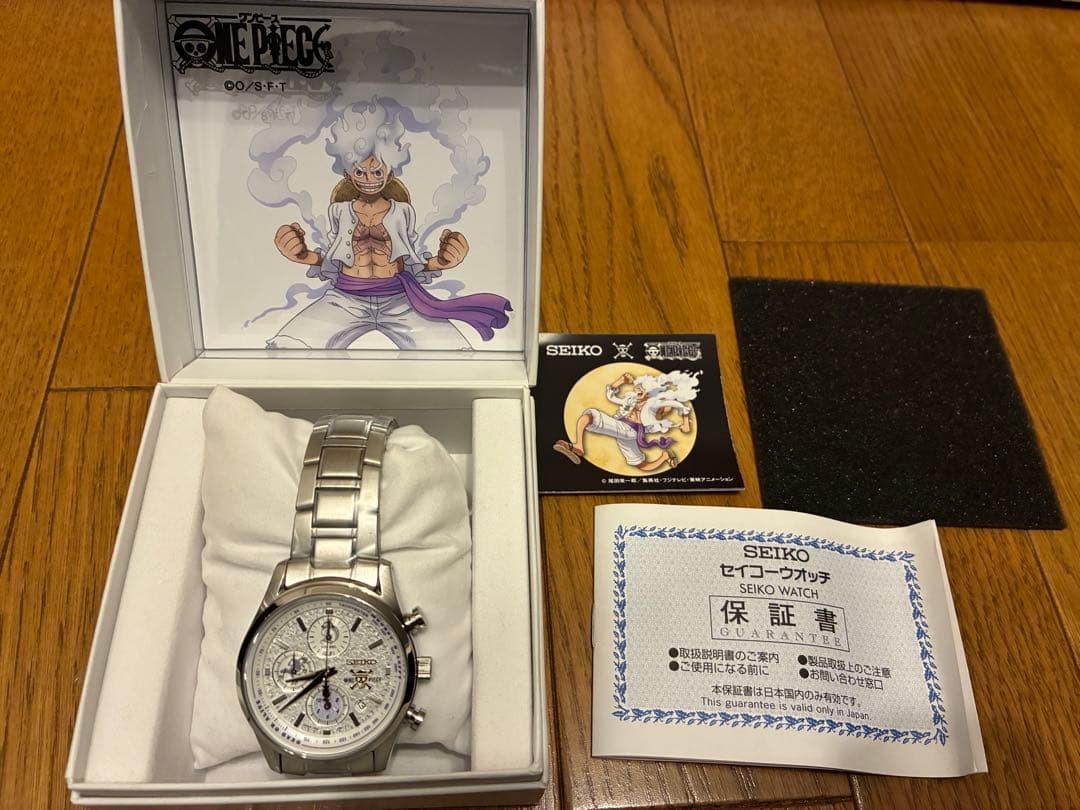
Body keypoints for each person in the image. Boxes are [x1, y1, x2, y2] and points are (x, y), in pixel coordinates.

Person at [267, 101, 511, 350]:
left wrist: (443, 261)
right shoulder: (338, 211)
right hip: (344, 299)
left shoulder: (402, 212)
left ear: (390, 173)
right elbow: (333, 259)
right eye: (360, 172)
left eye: (377, 172)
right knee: (286, 346)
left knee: (456, 352)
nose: (369, 179)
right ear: (348, 174)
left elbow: (411, 260)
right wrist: (301, 254)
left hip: (400, 300)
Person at [555, 370, 697, 472]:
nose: (637, 389)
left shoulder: (654, 404)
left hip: (630, 429)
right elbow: (611, 397)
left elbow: (680, 405)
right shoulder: (631, 400)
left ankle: (578, 446)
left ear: (649, 392)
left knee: (590, 415)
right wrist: (621, 381)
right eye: (637, 387)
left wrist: (685, 422)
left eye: (641, 388)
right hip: (625, 430)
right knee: (640, 464)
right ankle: (664, 457)